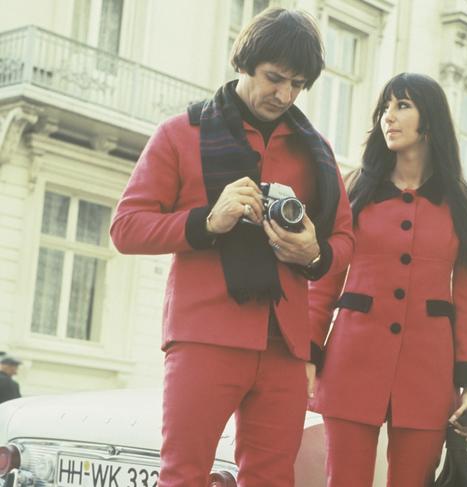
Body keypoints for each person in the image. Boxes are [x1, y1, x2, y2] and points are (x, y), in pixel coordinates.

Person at [110, 9, 354, 487]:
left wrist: (315, 253)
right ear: (245, 63)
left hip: (284, 344)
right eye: (274, 78)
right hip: (204, 335)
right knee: (184, 476)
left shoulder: (316, 149)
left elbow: (344, 239)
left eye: (297, 85)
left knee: (271, 480)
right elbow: (126, 227)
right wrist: (207, 221)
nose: (283, 95)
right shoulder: (181, 133)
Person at [308, 73, 467, 486]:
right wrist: (308, 354)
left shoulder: (464, 205)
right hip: (351, 362)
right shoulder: (355, 190)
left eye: (402, 106)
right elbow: (323, 280)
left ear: (431, 120)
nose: (388, 117)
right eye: (385, 108)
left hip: (428, 373)